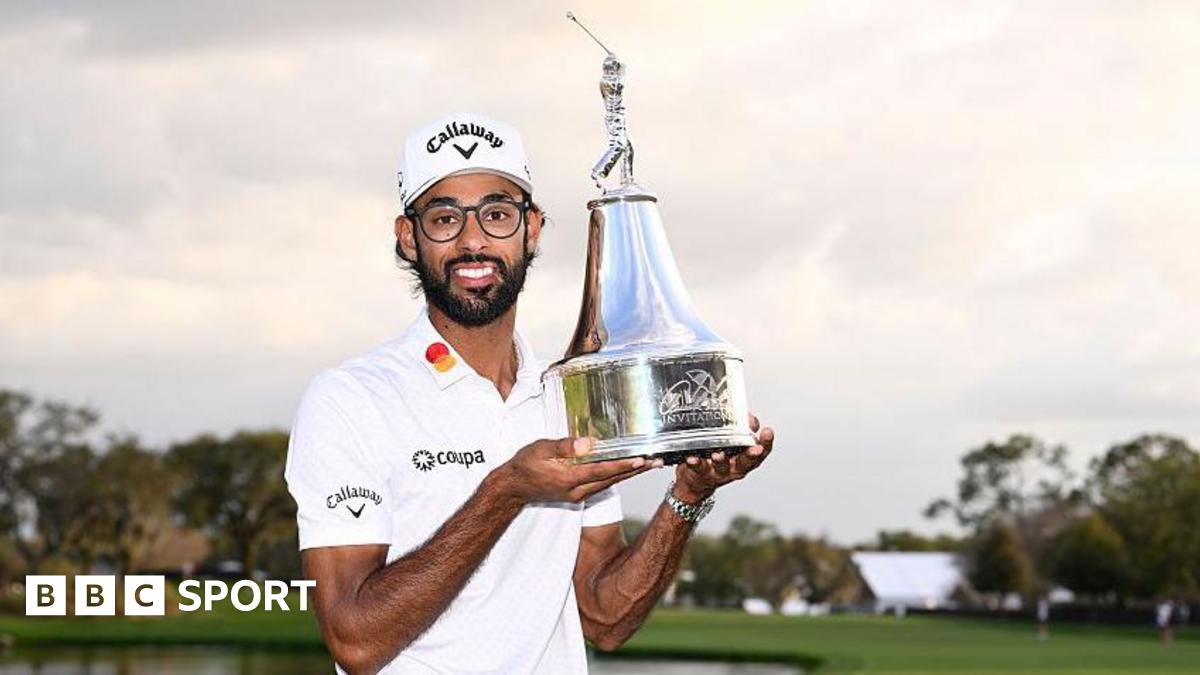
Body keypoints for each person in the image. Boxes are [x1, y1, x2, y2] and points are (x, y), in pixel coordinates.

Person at [283, 112, 775, 674]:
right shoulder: (351, 399)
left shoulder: (569, 398)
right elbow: (356, 641)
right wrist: (507, 491)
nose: (473, 242)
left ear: (532, 228)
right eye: (445, 218)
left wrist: (688, 493)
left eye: (497, 214)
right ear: (408, 237)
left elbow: (603, 618)